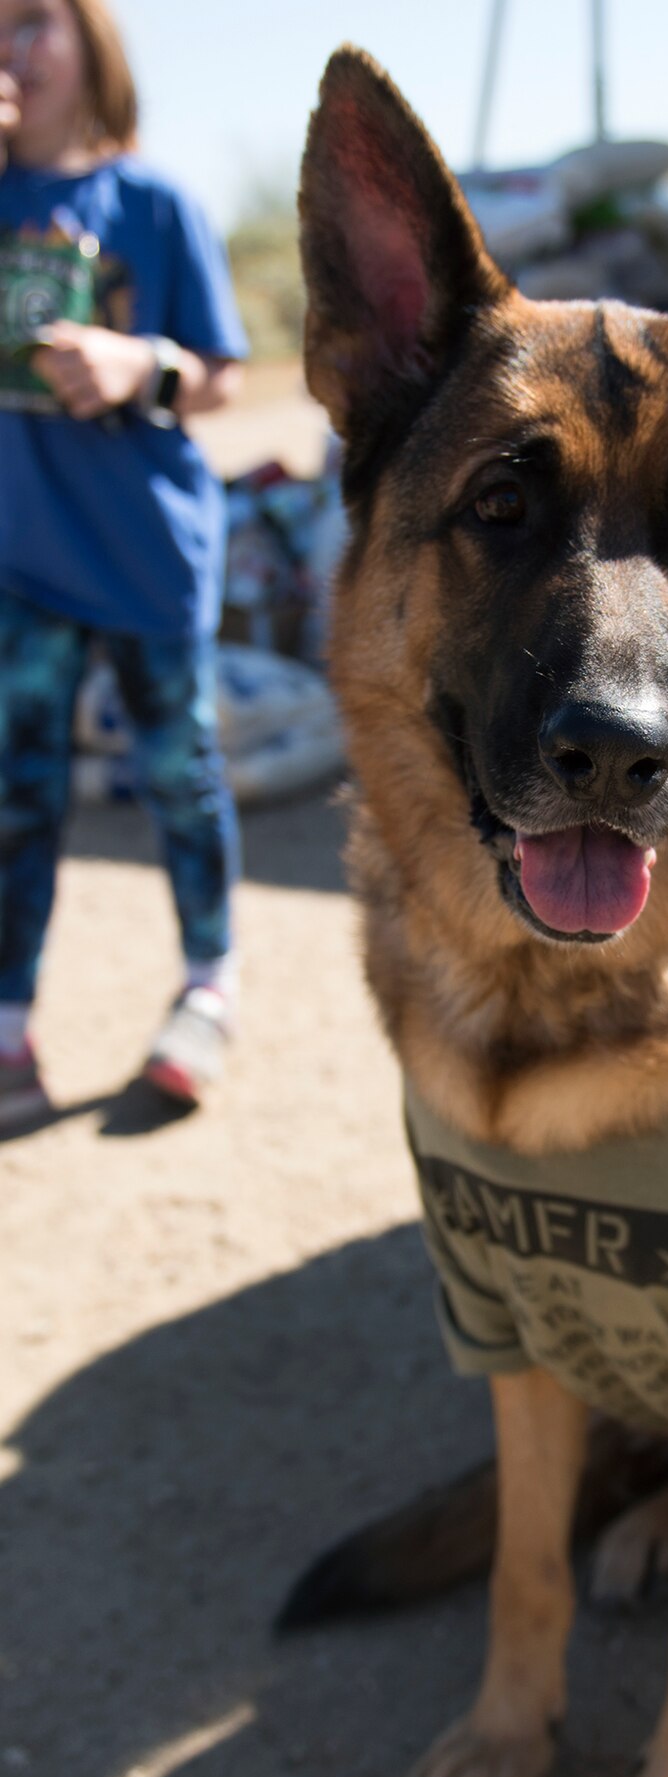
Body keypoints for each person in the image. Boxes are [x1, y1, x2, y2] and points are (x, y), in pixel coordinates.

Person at [0, 0, 247, 1127]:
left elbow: (221, 375)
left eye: (31, 20)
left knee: (178, 775)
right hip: (18, 554)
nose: (9, 47)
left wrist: (136, 362)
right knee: (17, 796)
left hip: (145, 552)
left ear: (92, 41)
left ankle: (209, 981)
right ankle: (8, 1019)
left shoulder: (154, 202)